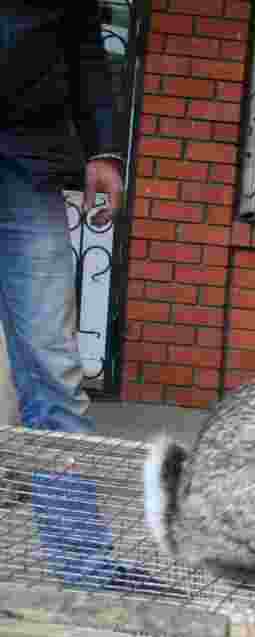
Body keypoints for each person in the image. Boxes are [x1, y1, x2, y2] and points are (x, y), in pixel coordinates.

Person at [0, 1, 171, 595]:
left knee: (52, 373)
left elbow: (82, 45)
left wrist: (104, 150)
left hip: (22, 165)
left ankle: (86, 575)